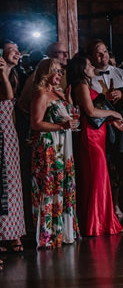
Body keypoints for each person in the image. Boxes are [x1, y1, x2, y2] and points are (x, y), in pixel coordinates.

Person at [68, 55, 123, 237]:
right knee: (96, 179)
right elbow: (91, 111)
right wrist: (114, 113)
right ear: (82, 69)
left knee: (100, 178)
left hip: (97, 134)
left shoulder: (87, 85)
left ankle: (101, 221)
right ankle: (96, 224)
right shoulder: (81, 86)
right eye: (88, 64)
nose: (92, 66)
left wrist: (111, 120)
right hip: (90, 137)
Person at [87, 40, 123, 228]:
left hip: (122, 129)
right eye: (98, 53)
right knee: (105, 173)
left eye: (104, 52)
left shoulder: (121, 73)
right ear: (92, 57)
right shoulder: (89, 77)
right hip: (101, 129)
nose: (102, 56)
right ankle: (106, 216)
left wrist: (122, 93)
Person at [28, 59, 79, 249]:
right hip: (49, 147)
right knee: (49, 187)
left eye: (60, 72)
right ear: (46, 73)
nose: (59, 75)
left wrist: (68, 100)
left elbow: (72, 116)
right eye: (56, 71)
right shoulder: (41, 94)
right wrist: (60, 126)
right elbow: (35, 124)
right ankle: (48, 234)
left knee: (63, 185)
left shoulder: (57, 93)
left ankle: (64, 232)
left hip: (63, 147)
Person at [0, 41, 24, 253]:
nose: (17, 52)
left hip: (9, 132)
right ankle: (2, 234)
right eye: (12, 49)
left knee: (13, 182)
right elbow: (7, 96)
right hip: (0, 130)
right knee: (2, 183)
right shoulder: (3, 76)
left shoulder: (15, 76)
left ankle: (12, 232)